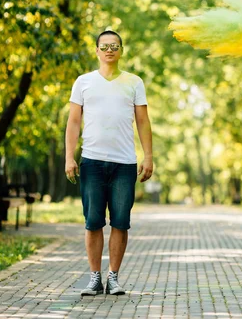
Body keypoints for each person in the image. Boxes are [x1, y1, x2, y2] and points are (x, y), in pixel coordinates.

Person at [65, 30, 153, 296]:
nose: (109, 50)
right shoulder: (83, 82)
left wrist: (148, 156)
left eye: (114, 45)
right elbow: (73, 122)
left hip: (124, 164)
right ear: (97, 51)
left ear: (121, 50)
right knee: (93, 221)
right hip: (91, 161)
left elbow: (143, 121)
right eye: (104, 46)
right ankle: (95, 278)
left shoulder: (134, 82)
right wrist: (69, 157)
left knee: (120, 222)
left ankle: (113, 277)